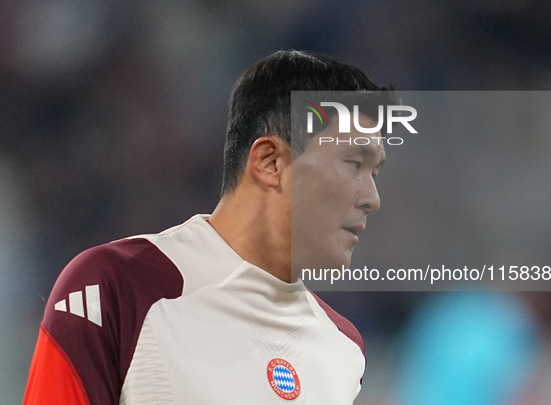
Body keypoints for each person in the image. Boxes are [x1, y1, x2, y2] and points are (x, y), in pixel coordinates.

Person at [23, 50, 389, 404]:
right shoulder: (115, 288)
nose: (372, 198)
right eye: (354, 163)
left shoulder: (344, 347)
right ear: (270, 162)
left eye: (374, 173)